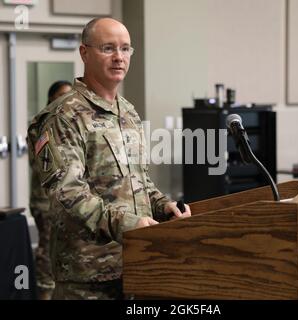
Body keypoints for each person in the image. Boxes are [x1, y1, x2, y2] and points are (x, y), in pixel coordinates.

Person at [27, 18, 191, 300]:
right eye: (108, 48)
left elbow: (141, 182)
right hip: (88, 277)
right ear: (84, 53)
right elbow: (68, 194)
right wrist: (126, 224)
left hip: (137, 265)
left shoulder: (127, 112)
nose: (119, 57)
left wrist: (164, 207)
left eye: (125, 49)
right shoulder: (62, 117)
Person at [29, 80, 72, 300]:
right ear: (51, 99)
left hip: (66, 203)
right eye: (61, 95)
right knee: (46, 249)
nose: (66, 99)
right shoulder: (43, 125)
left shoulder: (69, 122)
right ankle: (44, 292)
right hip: (45, 202)